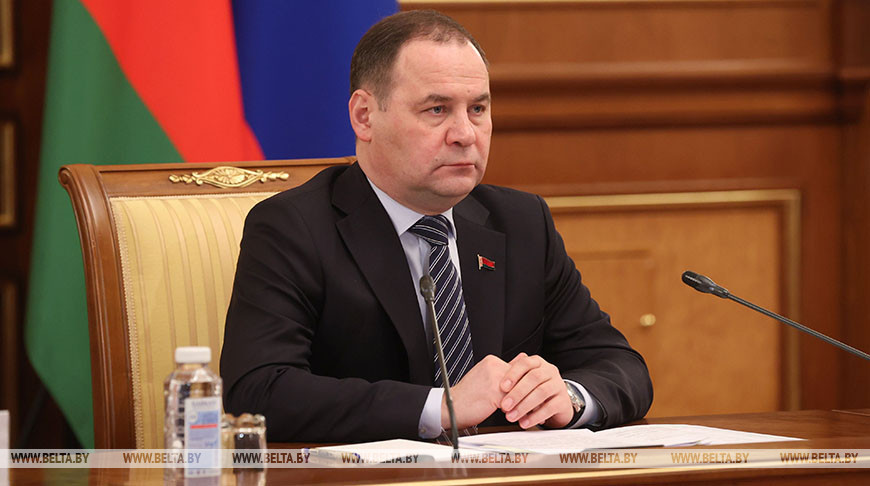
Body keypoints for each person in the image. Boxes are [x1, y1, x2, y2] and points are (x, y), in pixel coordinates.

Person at [220, 9, 652, 443]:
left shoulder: (522, 223)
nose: (465, 133)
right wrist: (440, 407)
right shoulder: (293, 227)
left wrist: (568, 397)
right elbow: (259, 389)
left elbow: (621, 366)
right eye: (437, 109)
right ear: (364, 116)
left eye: (477, 109)